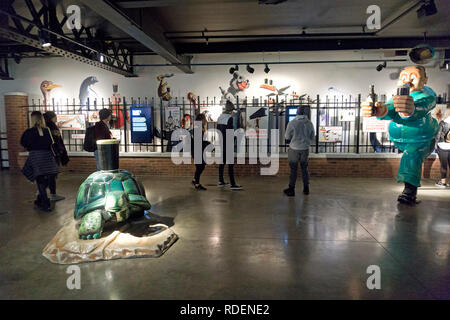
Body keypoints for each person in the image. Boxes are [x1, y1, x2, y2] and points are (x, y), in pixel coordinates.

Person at [362, 65, 439, 205]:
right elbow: (390, 108)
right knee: (410, 156)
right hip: (399, 139)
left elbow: (422, 107)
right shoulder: (397, 97)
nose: (407, 82)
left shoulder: (427, 97)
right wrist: (379, 110)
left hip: (420, 140)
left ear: (425, 80)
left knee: (412, 156)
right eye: (403, 78)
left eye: (413, 78)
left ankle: (409, 192)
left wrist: (411, 109)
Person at [20, 111, 59, 211]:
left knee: (40, 180)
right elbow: (51, 143)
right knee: (45, 180)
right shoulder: (46, 131)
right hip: (47, 157)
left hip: (35, 157)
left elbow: (23, 144)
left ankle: (45, 203)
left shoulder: (28, 132)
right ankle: (40, 199)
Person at [283, 105, 315, 197]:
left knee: (293, 170)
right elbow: (312, 137)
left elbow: (287, 137)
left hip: (294, 148)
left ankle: (291, 189)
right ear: (305, 112)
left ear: (297, 112)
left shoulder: (292, 123)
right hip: (305, 148)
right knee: (304, 169)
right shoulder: (309, 123)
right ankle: (306, 188)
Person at [43, 111, 69, 201]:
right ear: (51, 118)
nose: (56, 118)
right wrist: (61, 151)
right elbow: (57, 140)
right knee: (52, 174)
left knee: (49, 174)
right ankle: (47, 192)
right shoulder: (52, 127)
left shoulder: (44, 127)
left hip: (47, 154)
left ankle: (42, 190)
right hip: (53, 154)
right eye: (55, 116)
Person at [217, 100, 242, 190]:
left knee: (222, 162)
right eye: (232, 110)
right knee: (230, 164)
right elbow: (230, 132)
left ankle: (220, 180)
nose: (232, 112)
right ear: (230, 110)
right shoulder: (229, 118)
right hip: (228, 143)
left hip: (221, 143)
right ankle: (233, 184)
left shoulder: (220, 118)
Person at [191, 113, 209, 190]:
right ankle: (197, 184)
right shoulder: (198, 128)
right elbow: (199, 141)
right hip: (197, 150)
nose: (206, 120)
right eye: (204, 119)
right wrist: (208, 143)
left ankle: (195, 180)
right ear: (201, 120)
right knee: (200, 167)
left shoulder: (200, 127)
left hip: (199, 149)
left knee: (201, 166)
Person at [435, 108, 450, 187]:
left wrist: (436, 147)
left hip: (443, 147)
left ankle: (443, 182)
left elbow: (438, 136)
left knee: (443, 165)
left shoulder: (443, 123)